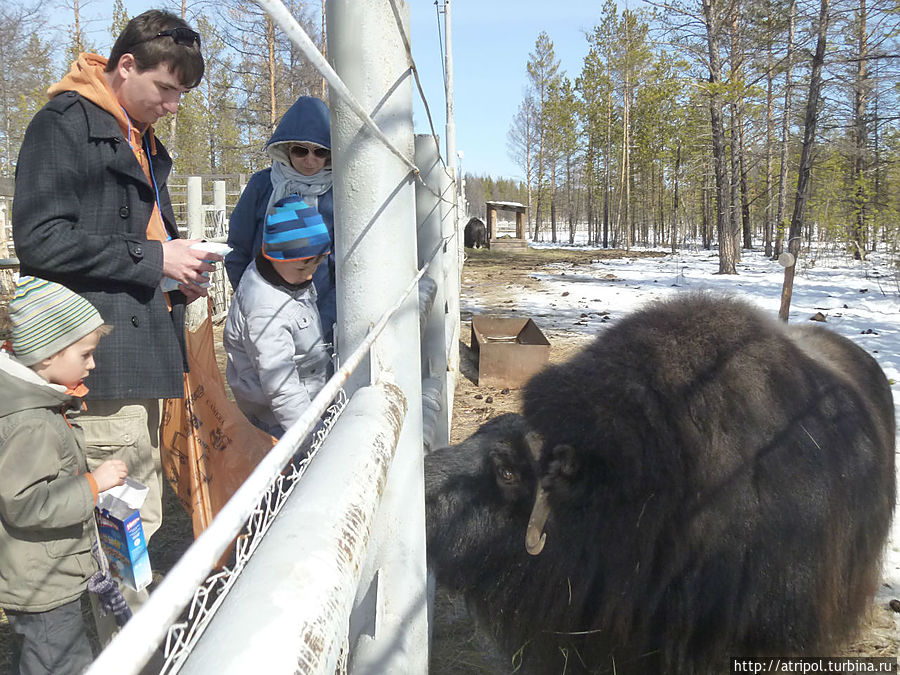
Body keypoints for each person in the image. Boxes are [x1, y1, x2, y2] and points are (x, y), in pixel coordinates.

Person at [11, 9, 215, 624]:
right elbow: (41, 239)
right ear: (126, 66)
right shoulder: (64, 125)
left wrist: (177, 278)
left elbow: (127, 239)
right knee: (117, 525)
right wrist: (155, 259)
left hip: (132, 354)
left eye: (182, 93)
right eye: (167, 88)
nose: (174, 105)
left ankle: (113, 639)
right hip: (100, 365)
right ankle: (115, 645)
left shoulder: (132, 133)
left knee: (134, 515)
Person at [0, 276, 128, 675]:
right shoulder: (31, 423)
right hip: (42, 581)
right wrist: (93, 485)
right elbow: (27, 504)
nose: (93, 363)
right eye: (86, 353)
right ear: (46, 356)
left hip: (43, 569)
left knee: (43, 657)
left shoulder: (40, 404)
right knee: (62, 664)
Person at [225, 96, 336, 344]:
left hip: (321, 319)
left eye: (320, 151)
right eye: (300, 150)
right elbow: (238, 248)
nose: (310, 160)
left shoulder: (337, 192)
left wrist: (324, 321)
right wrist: (251, 301)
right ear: (286, 148)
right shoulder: (262, 185)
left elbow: (343, 264)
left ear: (330, 153)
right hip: (263, 313)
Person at [224, 196, 332, 439]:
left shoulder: (287, 278)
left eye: (316, 266)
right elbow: (281, 386)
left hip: (305, 398)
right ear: (274, 256)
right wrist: (311, 439)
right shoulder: (265, 312)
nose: (309, 276)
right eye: (303, 268)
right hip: (279, 421)